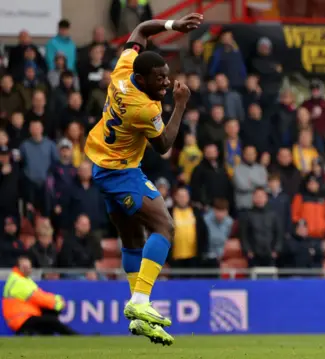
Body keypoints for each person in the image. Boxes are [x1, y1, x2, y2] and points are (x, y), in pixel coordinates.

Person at [83, 13, 203, 345]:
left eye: (167, 77)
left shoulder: (123, 69)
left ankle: (140, 318)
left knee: (133, 239)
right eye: (160, 79)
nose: (166, 83)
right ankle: (139, 302)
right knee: (165, 226)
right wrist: (179, 106)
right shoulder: (144, 109)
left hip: (103, 165)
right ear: (143, 78)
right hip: (120, 171)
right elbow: (164, 146)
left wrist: (171, 26)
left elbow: (139, 30)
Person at [2, 257, 77, 335]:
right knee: (52, 321)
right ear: (18, 268)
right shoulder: (18, 282)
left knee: (50, 315)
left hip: (24, 315)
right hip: (20, 318)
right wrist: (57, 302)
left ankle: (46, 338)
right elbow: (37, 298)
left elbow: (40, 294)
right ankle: (75, 336)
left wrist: (56, 299)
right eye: (24, 267)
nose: (27, 269)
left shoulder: (22, 279)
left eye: (29, 267)